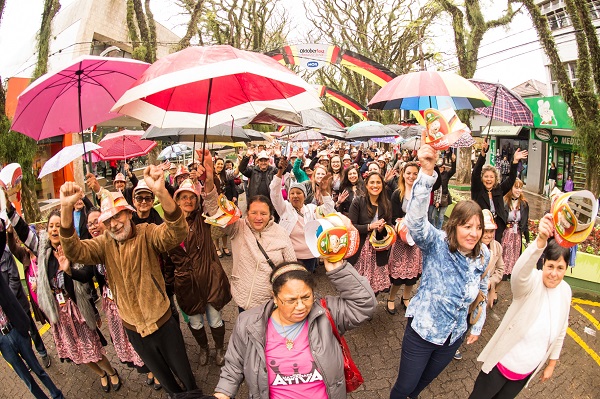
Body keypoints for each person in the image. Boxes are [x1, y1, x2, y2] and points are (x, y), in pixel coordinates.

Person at [58, 165, 199, 396]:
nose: (114, 224)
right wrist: (65, 208)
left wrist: (161, 191)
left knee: (186, 378)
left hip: (163, 322)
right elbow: (73, 251)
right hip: (134, 330)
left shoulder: (148, 233)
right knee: (167, 383)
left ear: (129, 213)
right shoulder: (104, 244)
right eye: (108, 220)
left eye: (118, 215)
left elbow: (176, 232)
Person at [390, 141, 490, 399]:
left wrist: (477, 325)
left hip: (453, 337)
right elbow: (415, 222)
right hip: (423, 332)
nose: (473, 233)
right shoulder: (437, 244)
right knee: (404, 388)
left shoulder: (484, 254)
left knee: (420, 386)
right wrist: (425, 174)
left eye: (478, 228)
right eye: (467, 226)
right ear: (454, 225)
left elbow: (481, 289)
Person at [213, 259, 377, 399]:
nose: (301, 306)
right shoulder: (248, 323)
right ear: (275, 298)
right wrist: (223, 393)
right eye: (291, 300)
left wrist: (338, 270)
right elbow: (234, 367)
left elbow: (365, 304)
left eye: (306, 297)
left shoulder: (327, 314)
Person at [5, 203, 121, 393]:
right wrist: (10, 209)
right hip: (59, 313)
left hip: (78, 310)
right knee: (77, 353)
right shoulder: (42, 249)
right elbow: (24, 232)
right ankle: (100, 374)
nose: (54, 229)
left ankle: (111, 371)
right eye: (51, 226)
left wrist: (69, 269)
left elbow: (86, 278)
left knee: (92, 349)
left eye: (58, 225)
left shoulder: (75, 249)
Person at [469, 216, 572, 399]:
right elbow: (518, 274)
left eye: (560, 268)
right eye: (550, 266)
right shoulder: (531, 282)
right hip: (500, 366)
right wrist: (540, 240)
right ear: (543, 263)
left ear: (566, 269)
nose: (554, 274)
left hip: (524, 373)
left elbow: (561, 329)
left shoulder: (565, 291)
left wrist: (551, 364)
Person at [66, 207, 160, 390]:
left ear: (106, 222)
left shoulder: (120, 241)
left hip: (133, 300)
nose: (94, 226)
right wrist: (69, 271)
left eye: (97, 221)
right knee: (130, 342)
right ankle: (148, 368)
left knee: (145, 336)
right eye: (90, 223)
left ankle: (157, 370)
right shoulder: (93, 250)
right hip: (112, 304)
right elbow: (86, 275)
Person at [204, 159, 296, 311]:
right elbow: (216, 210)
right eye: (254, 213)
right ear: (247, 213)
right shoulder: (238, 227)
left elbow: (292, 267)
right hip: (242, 300)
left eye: (263, 213)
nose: (258, 217)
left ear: (270, 214)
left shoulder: (281, 233)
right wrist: (208, 183)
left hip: (270, 304)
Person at [169, 174, 232, 367]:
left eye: (192, 197)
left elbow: (213, 200)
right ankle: (204, 348)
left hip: (209, 279)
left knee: (215, 319)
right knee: (195, 323)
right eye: (184, 197)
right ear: (177, 201)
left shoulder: (204, 219)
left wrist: (207, 177)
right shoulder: (169, 226)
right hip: (186, 284)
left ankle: (219, 349)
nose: (188, 201)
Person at [0, 219, 64, 399]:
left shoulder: (34, 252)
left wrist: (6, 223)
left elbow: (5, 244)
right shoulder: (23, 255)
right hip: (2, 341)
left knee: (38, 370)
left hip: (15, 328)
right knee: (26, 379)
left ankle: (57, 395)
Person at [270, 157, 335, 273]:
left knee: (306, 283)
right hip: (290, 256)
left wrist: (324, 192)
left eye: (299, 193)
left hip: (310, 256)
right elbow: (274, 194)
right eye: (292, 193)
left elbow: (329, 211)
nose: (295, 196)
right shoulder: (284, 208)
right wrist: (280, 172)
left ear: (304, 196)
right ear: (288, 197)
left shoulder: (311, 209)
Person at [471, 140, 528, 242]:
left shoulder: (498, 190)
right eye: (486, 177)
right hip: (480, 228)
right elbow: (475, 173)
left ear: (495, 179)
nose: (489, 179)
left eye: (491, 177)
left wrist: (514, 162)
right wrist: (483, 154)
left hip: (496, 230)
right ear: (482, 178)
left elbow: (511, 180)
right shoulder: (478, 191)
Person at [347, 171, 393, 294]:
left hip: (378, 250)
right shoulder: (358, 201)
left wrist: (381, 229)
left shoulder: (387, 204)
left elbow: (389, 227)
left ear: (382, 185)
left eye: (378, 182)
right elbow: (350, 226)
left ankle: (369, 307)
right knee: (356, 285)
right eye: (372, 182)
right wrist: (369, 227)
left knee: (374, 289)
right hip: (360, 249)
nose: (375, 185)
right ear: (366, 185)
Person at [387, 162, 422, 315]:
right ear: (403, 174)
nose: (411, 176)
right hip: (401, 239)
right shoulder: (397, 194)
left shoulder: (421, 194)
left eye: (415, 173)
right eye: (408, 173)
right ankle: (391, 298)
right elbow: (393, 217)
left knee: (413, 273)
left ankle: (406, 297)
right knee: (398, 273)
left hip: (416, 240)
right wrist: (403, 224)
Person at [501, 178, 530, 280]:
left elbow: (525, 223)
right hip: (506, 234)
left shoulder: (524, 204)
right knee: (504, 256)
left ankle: (512, 277)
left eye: (520, 188)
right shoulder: (504, 201)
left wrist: (527, 240)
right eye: (516, 187)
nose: (518, 190)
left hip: (516, 236)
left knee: (515, 258)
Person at [430, 154, 456, 230]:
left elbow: (453, 170)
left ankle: (439, 229)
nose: (441, 168)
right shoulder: (434, 174)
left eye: (442, 167)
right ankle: (434, 228)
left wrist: (453, 161)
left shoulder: (446, 175)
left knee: (441, 216)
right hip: (435, 197)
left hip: (444, 197)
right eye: (439, 167)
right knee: (432, 216)